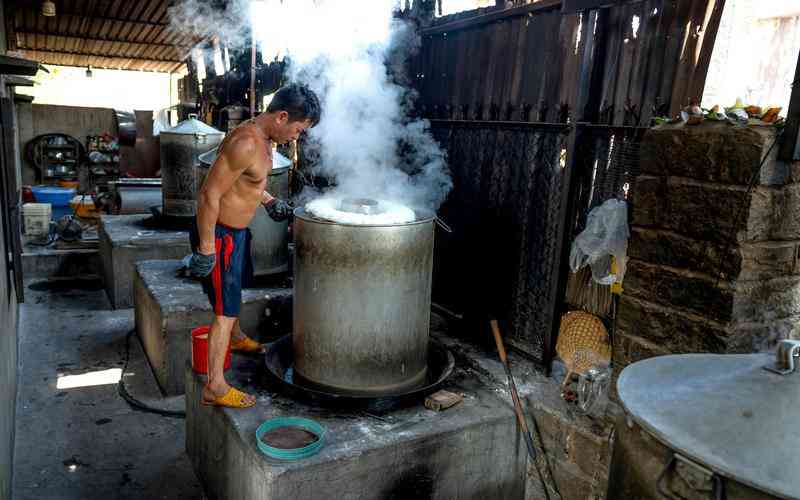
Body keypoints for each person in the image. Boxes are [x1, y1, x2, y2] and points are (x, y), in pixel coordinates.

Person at [188, 84, 321, 408]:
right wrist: (207, 247)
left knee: (234, 293)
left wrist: (268, 199)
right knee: (225, 309)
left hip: (236, 235)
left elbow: (244, 182)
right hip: (220, 236)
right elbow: (209, 194)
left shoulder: (262, 140)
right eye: (298, 130)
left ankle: (234, 339)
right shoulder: (246, 142)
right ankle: (215, 386)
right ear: (283, 116)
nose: (296, 137)